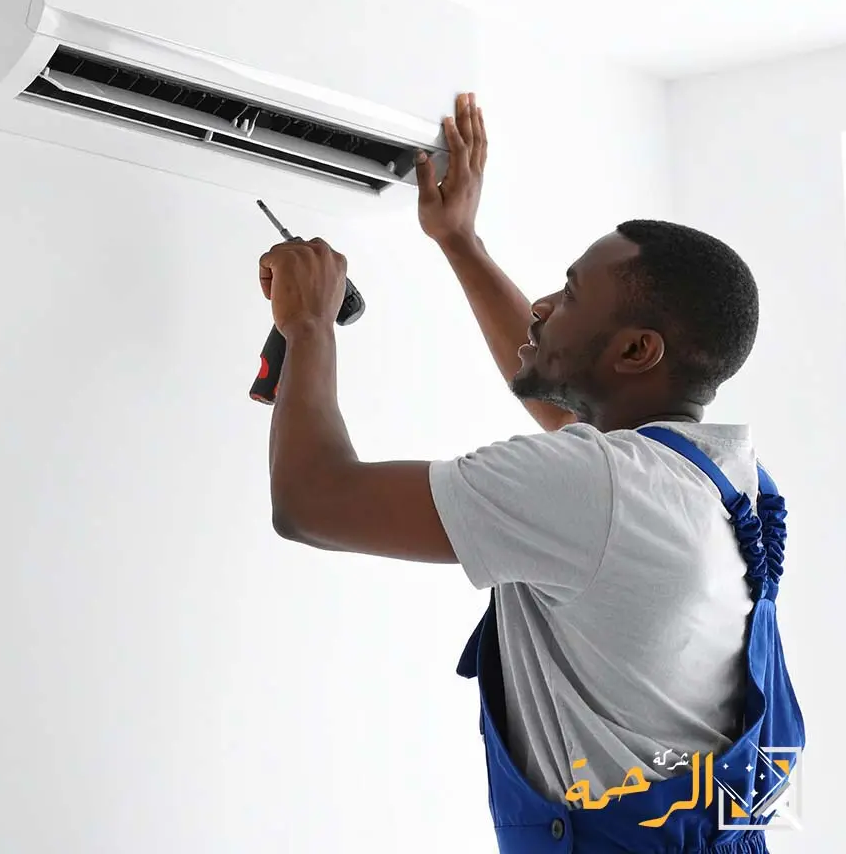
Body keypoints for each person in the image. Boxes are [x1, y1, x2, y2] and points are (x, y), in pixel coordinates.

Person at [259, 93, 804, 853]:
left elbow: (314, 503)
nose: (544, 304)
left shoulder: (599, 488)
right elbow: (569, 418)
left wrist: (308, 325)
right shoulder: (719, 479)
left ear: (636, 351)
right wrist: (459, 242)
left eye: (571, 294)